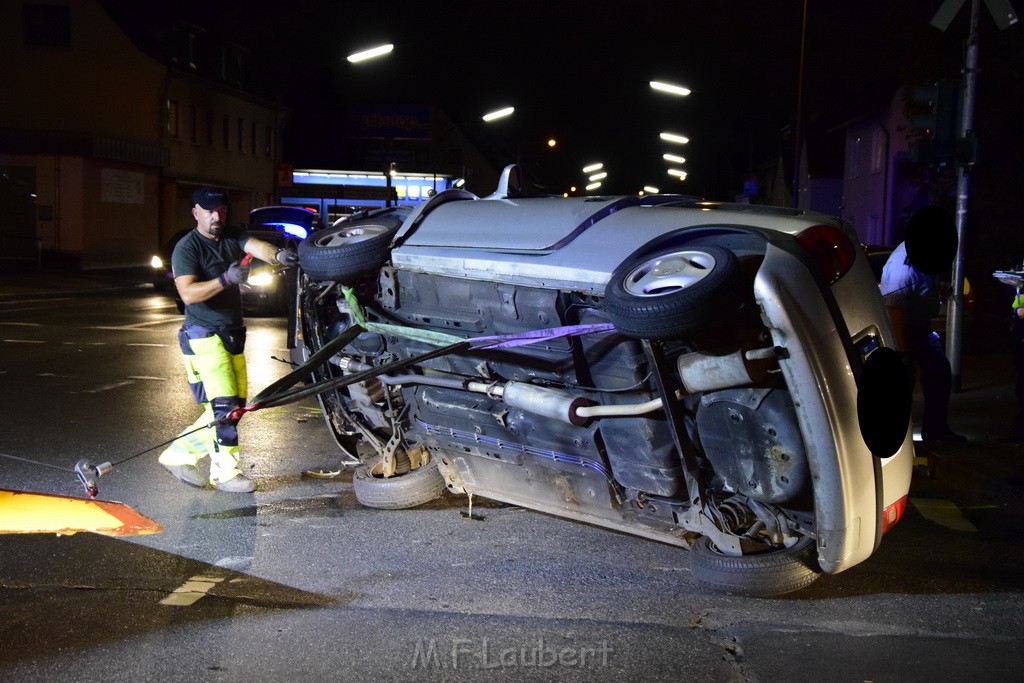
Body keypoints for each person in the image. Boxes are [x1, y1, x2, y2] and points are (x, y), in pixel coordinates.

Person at [158, 188, 299, 492]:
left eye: (221, 210)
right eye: (209, 211)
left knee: (236, 406)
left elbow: (257, 246)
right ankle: (226, 473)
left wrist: (279, 255)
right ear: (195, 212)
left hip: (232, 333)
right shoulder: (187, 248)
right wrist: (226, 279)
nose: (216, 216)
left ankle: (180, 454)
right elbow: (187, 294)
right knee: (224, 407)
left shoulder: (232, 235)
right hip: (203, 336)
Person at [880, 205, 965, 443]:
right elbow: (894, 310)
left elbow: (920, 286)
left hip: (920, 327)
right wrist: (903, 354)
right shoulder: (902, 269)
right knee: (901, 386)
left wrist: (937, 290)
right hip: (902, 330)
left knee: (939, 372)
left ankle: (935, 432)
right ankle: (894, 439)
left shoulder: (923, 249)